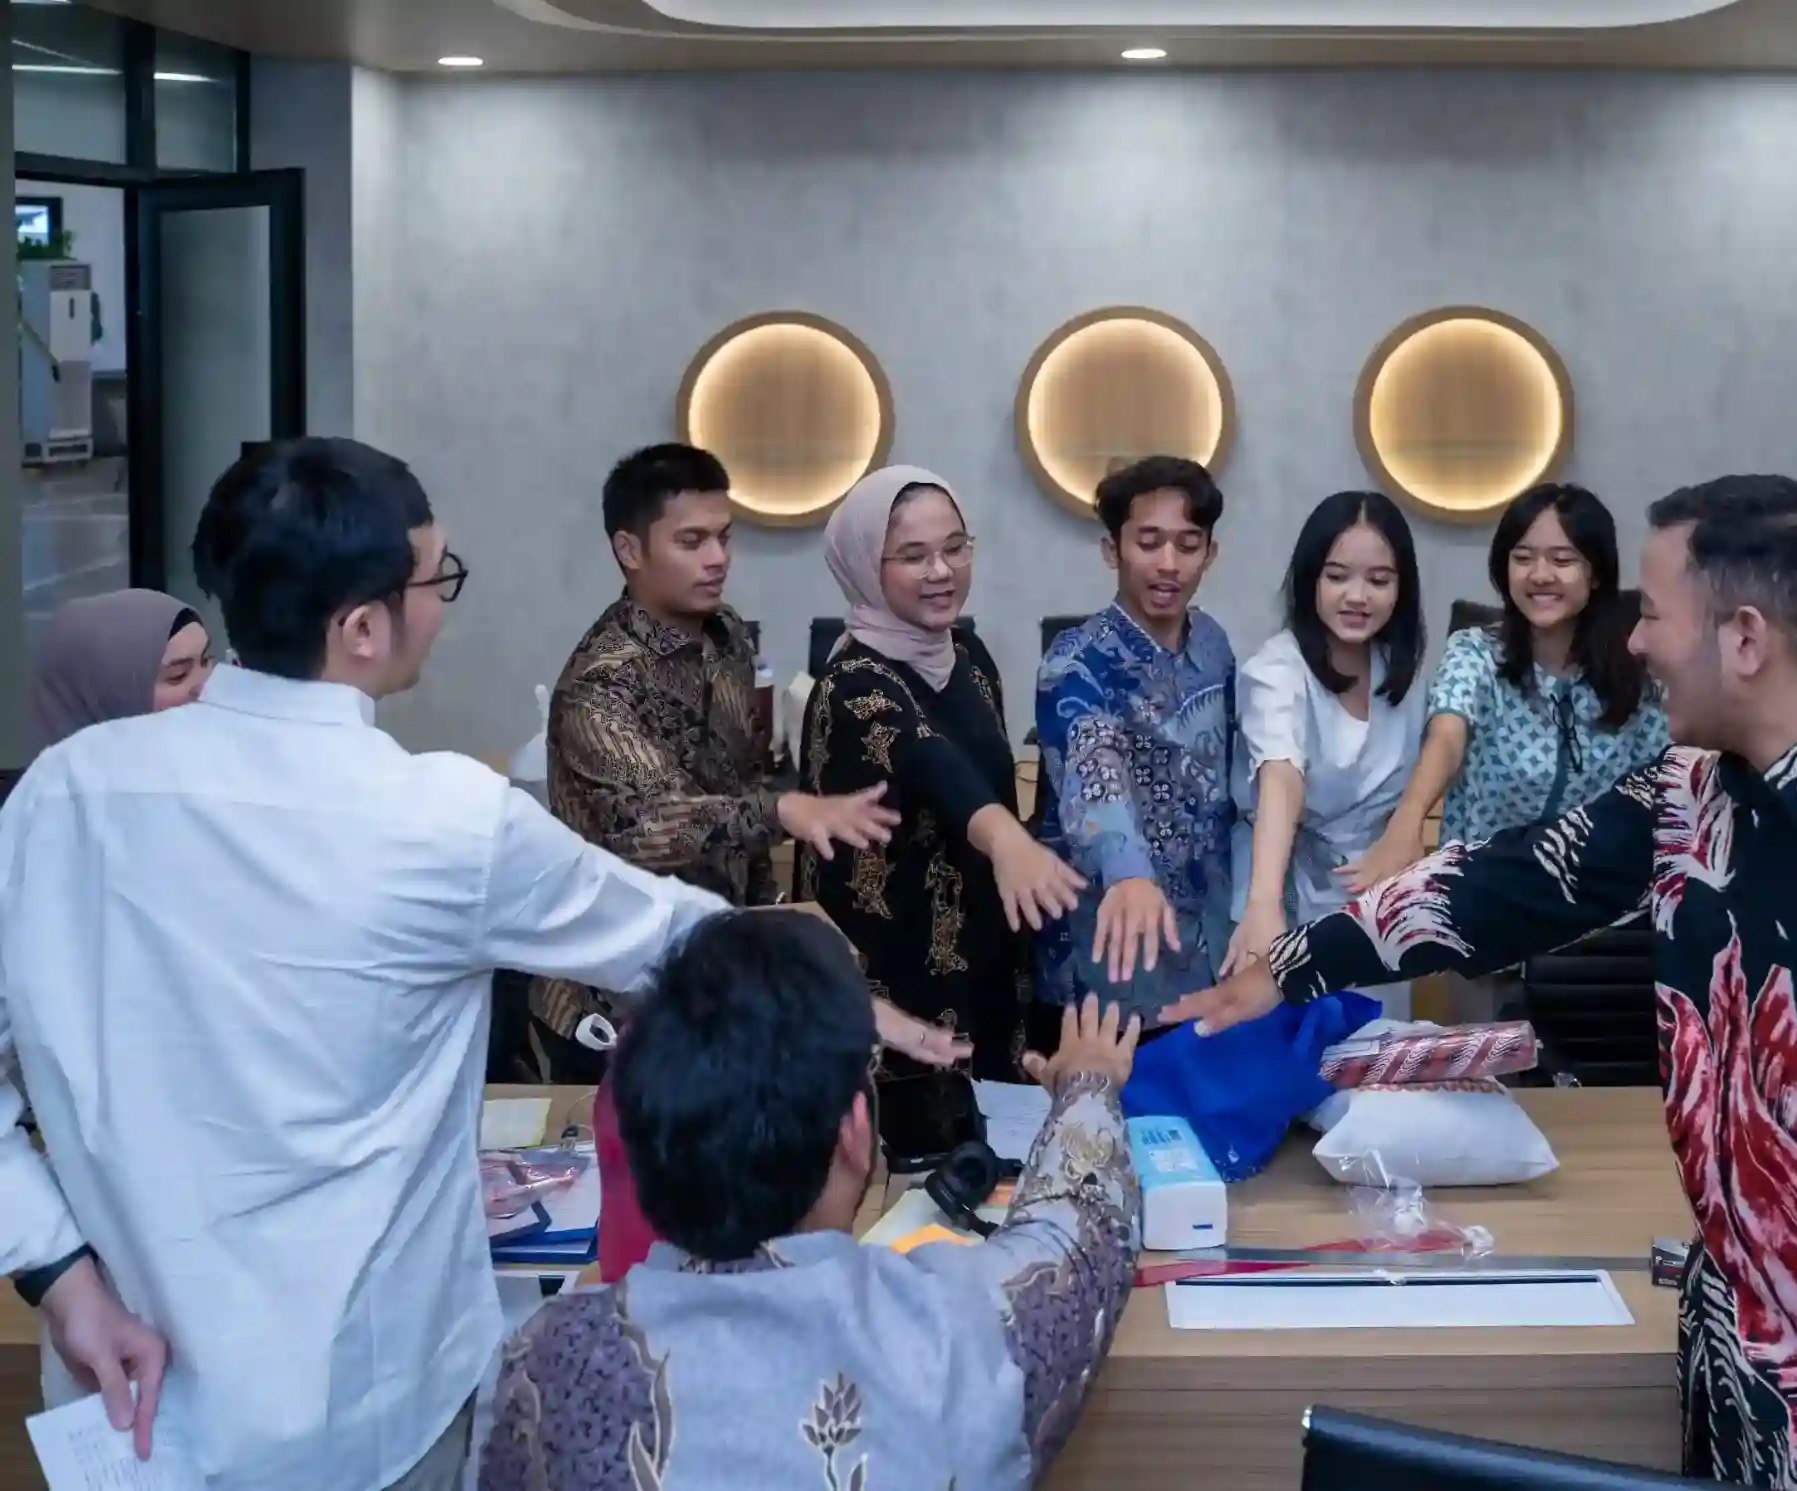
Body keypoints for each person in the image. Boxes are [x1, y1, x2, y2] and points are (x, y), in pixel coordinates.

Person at [1168, 476, 1797, 1491]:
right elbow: (1512, 883)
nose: (1633, 642)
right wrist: (1292, 965)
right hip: (1734, 1371)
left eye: (1656, 614)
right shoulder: (1694, 792)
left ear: (1745, 638)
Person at [0, 438, 738, 1491]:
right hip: (370, 1415)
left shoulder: (61, 796)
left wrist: (61, 1279)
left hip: (126, 1410)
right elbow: (671, 933)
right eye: (436, 580)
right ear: (358, 627)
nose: (442, 603)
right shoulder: (442, 820)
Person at [482, 911, 1142, 1491]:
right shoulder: (958, 1336)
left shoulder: (543, 1361)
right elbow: (1081, 1236)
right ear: (855, 1130)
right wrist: (1087, 1080)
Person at [531, 442, 899, 1078]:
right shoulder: (600, 685)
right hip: (612, 996)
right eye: (692, 541)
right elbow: (651, 828)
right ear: (630, 549)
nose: (717, 559)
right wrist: (783, 809)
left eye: (724, 538)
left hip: (711, 972)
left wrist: (768, 907)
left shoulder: (724, 634)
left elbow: (737, 779)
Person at [803, 465, 1084, 1162]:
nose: (941, 571)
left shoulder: (970, 656)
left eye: (956, 547)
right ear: (868, 566)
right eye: (913, 556)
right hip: (896, 989)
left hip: (983, 962)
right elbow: (931, 760)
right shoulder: (853, 684)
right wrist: (1006, 839)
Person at [1346, 482, 1666, 889]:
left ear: (1597, 572)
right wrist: (1406, 825)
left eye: (1562, 560)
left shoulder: (1635, 670)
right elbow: (1446, 737)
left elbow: (1659, 783)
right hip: (1483, 893)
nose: (1540, 575)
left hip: (1599, 904)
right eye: (1523, 558)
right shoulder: (1475, 652)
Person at [1033, 454, 1235, 1033]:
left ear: (1210, 553)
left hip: (1206, 952)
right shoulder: (1076, 662)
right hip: (1107, 955)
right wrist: (1128, 872)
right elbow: (1091, 768)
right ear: (1111, 548)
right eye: (1148, 542)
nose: (1168, 564)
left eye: (1187, 544)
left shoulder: (1215, 644)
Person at [1223, 492, 1427, 1018]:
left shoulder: (1397, 671)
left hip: (1377, 901)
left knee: (1376, 1067)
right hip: (1283, 893)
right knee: (1292, 1070)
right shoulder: (1277, 670)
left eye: (1379, 581)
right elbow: (1281, 777)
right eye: (1337, 576)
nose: (1357, 596)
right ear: (1310, 578)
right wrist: (1263, 905)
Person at [26, 589, 215, 755]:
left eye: (206, 661)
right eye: (178, 675)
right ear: (107, 694)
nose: (205, 685)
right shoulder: (48, 791)